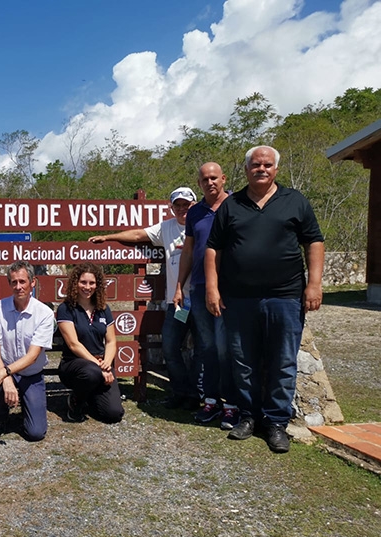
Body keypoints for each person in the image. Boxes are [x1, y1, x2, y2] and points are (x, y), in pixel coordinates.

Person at [205, 146, 324, 453]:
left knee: (282, 362)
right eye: (255, 165)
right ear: (246, 170)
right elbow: (213, 249)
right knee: (243, 363)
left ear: (276, 169)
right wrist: (212, 288)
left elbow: (313, 241)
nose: (261, 169)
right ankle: (248, 417)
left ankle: (276, 423)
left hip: (285, 297)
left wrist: (314, 284)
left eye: (267, 164)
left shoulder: (295, 201)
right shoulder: (232, 205)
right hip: (239, 298)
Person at [89, 187, 200, 410]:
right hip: (177, 302)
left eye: (186, 205)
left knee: (205, 349)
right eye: (177, 205)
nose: (182, 209)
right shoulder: (166, 227)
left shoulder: (203, 225)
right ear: (172, 208)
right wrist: (109, 237)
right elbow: (138, 235)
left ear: (194, 205)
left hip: (202, 299)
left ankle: (200, 395)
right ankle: (182, 393)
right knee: (170, 347)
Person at [173, 163, 238, 429]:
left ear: (223, 179)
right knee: (207, 347)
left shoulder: (237, 206)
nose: (210, 182)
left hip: (230, 288)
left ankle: (232, 405)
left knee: (227, 349)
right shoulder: (195, 213)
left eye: (214, 178)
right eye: (204, 179)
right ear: (199, 184)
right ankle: (211, 402)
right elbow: (188, 251)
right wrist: (180, 285)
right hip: (199, 287)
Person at [0, 261, 55, 441]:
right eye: (14, 282)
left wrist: (4, 373)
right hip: (3, 369)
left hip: (31, 373)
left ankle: (27, 408)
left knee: (36, 433)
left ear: (33, 283)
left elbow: (32, 356)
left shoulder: (44, 313)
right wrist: (5, 377)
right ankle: (1, 415)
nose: (18, 286)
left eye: (22, 281)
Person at [56, 263, 124, 424]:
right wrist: (99, 366)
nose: (87, 287)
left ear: (97, 285)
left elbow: (111, 341)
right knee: (91, 373)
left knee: (114, 414)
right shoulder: (66, 308)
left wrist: (107, 363)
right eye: (83, 282)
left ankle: (89, 396)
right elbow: (73, 344)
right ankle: (75, 402)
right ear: (75, 283)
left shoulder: (103, 308)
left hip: (100, 364)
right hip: (74, 365)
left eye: (92, 283)